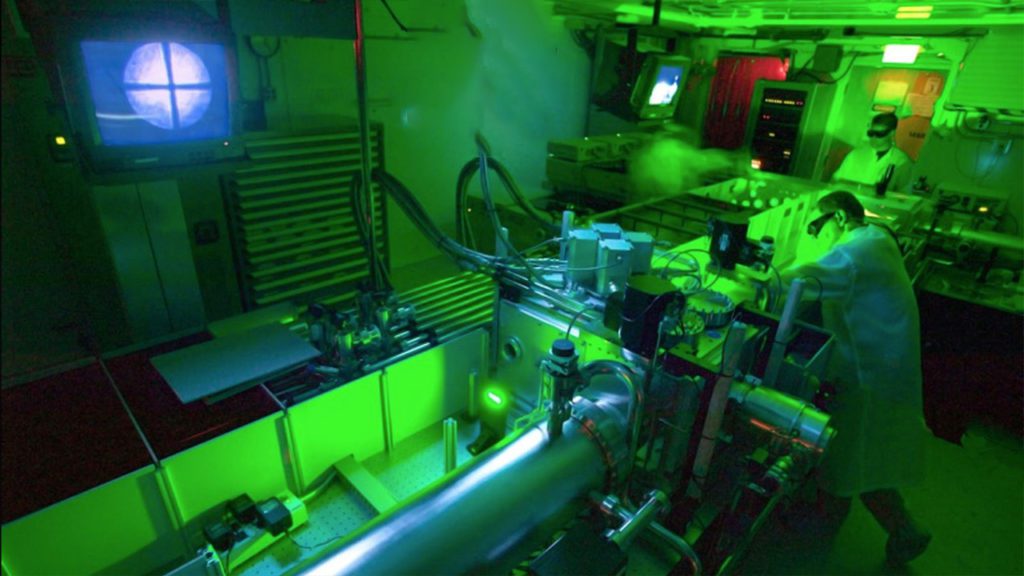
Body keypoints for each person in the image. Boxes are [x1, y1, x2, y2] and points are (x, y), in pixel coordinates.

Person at [782, 190, 931, 566]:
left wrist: (750, 276)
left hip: (869, 373)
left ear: (843, 217)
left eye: (818, 223)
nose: (815, 232)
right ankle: (903, 530)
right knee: (866, 457)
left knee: (848, 459)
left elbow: (798, 282)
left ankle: (829, 541)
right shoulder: (874, 239)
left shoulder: (852, 253)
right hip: (883, 366)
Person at [831, 112, 913, 194]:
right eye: (871, 133)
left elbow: (903, 195)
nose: (873, 137)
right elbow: (836, 180)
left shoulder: (901, 161)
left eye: (879, 134)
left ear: (892, 133)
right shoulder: (855, 154)